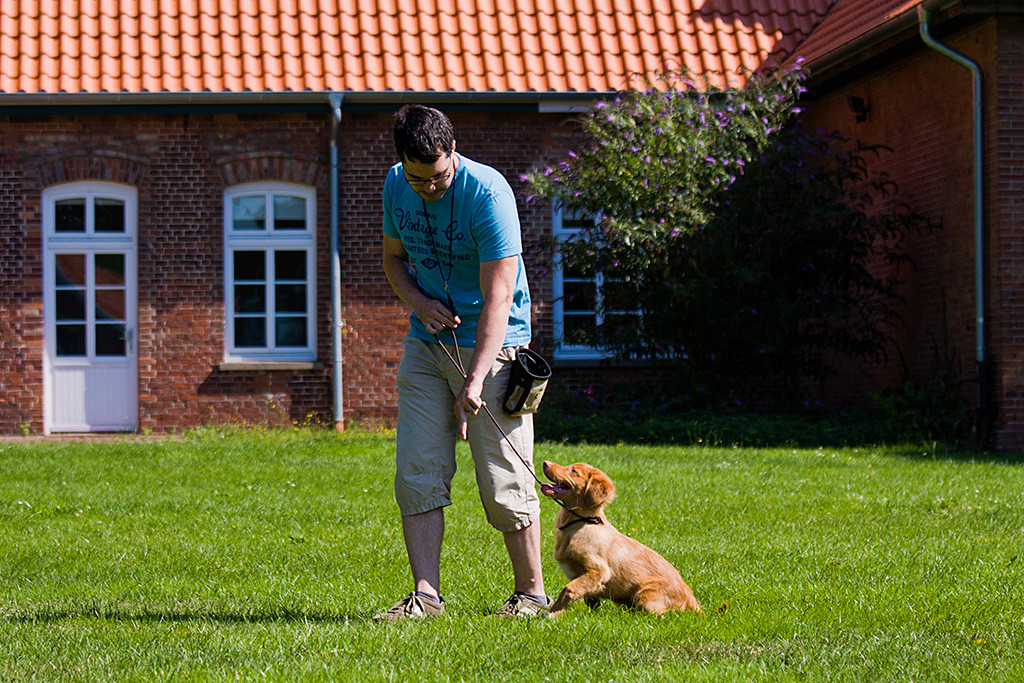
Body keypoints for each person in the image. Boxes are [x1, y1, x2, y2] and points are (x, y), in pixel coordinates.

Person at [374, 104, 549, 620]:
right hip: (427, 348)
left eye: (439, 176)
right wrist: (417, 303)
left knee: (503, 480)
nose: (430, 188)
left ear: (454, 152)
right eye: (418, 178)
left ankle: (531, 595)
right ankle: (426, 597)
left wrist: (475, 381)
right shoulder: (395, 184)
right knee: (417, 472)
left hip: (495, 348)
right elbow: (391, 259)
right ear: (403, 163)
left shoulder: (489, 193)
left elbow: (500, 296)